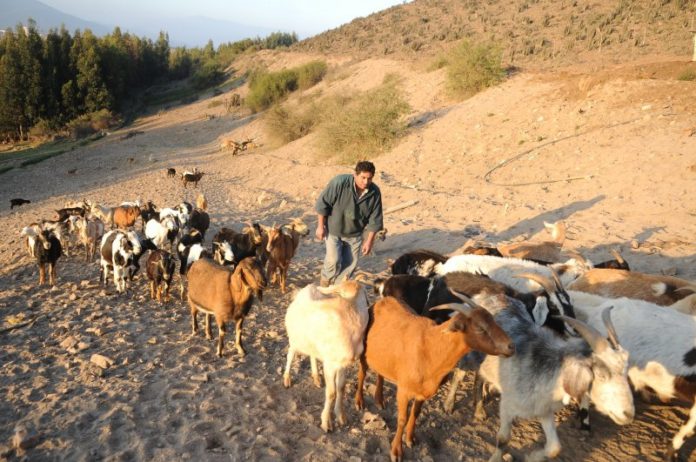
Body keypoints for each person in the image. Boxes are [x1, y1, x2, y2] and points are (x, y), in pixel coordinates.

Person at [315, 160, 383, 287]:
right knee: (333, 261)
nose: (366, 182)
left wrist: (369, 241)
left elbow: (376, 219)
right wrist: (320, 226)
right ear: (355, 175)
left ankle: (337, 287)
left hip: (355, 234)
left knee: (350, 264)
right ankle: (324, 284)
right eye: (363, 177)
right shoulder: (339, 182)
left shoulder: (375, 192)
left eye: (369, 178)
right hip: (334, 230)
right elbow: (323, 203)